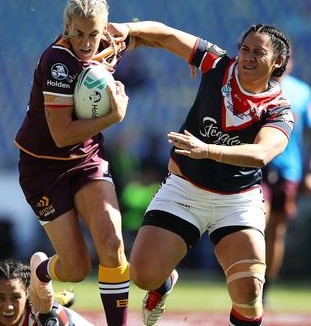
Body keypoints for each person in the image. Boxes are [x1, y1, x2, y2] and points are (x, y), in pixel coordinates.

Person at [14, 0, 178, 325]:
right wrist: (114, 116)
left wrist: (189, 55)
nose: (87, 42)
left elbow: (153, 35)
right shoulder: (57, 61)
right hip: (42, 167)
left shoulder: (106, 40)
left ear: (104, 28)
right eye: (78, 33)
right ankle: (41, 270)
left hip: (85, 159)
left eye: (94, 33)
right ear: (66, 28)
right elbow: (61, 134)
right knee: (75, 269)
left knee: (111, 241)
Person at [124, 23, 294, 326]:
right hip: (185, 191)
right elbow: (165, 36)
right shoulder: (217, 63)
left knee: (250, 291)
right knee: (143, 275)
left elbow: (261, 154)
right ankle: (161, 285)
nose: (248, 57)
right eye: (245, 49)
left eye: (259, 52)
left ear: (278, 62)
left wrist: (207, 150)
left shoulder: (279, 110)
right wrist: (124, 29)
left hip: (237, 202)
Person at [261, 59, 311, 304]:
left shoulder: (302, 91)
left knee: (276, 232)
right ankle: (246, 281)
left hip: (289, 171)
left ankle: (266, 289)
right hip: (260, 165)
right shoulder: (257, 87)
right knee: (257, 222)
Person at [0, 259, 90, 326]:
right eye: (0, 298)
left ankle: (57, 300)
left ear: (28, 295)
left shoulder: (48, 318)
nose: (8, 307)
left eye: (16, 297)